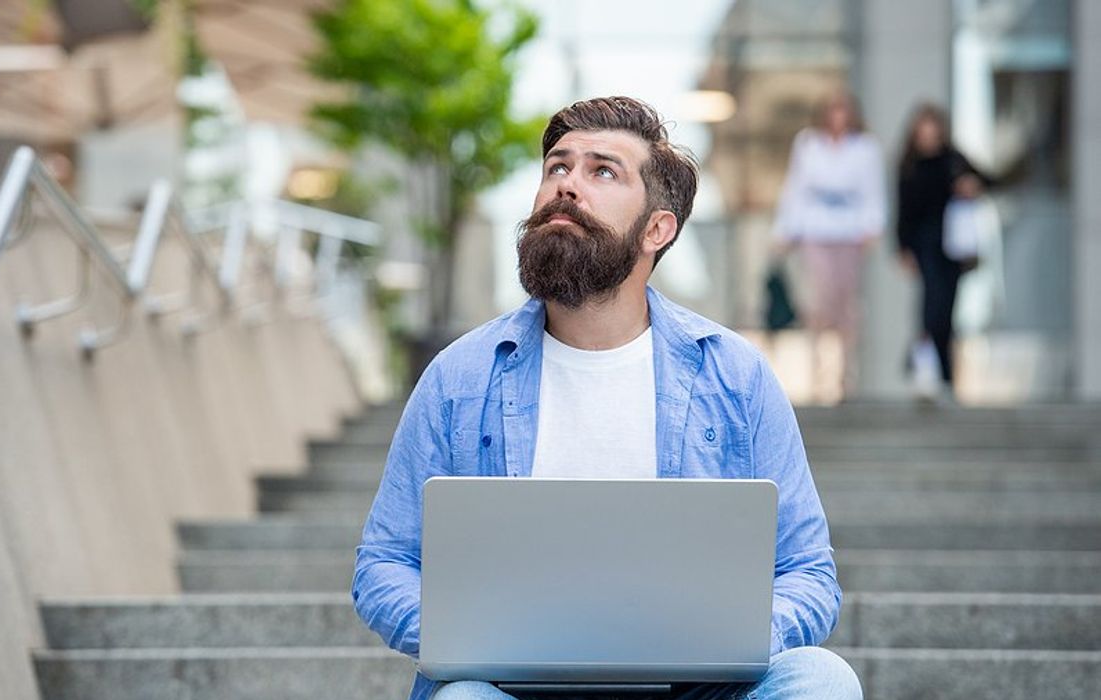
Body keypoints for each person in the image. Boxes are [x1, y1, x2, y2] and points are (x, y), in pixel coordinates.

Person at [353, 96, 859, 700]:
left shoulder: (735, 376)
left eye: (602, 171)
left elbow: (808, 572)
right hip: (513, 688)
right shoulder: (459, 377)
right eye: (557, 168)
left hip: (693, 688)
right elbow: (382, 564)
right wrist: (470, 638)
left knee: (821, 681)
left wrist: (733, 638)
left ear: (657, 229)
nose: (566, 185)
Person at [772, 91, 886, 400]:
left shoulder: (865, 147)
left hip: (849, 232)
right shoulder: (808, 144)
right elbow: (795, 187)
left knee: (846, 305)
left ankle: (846, 376)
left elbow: (873, 189)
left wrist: (872, 226)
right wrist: (786, 230)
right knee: (818, 302)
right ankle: (816, 373)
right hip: (816, 230)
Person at [895, 103, 987, 401]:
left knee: (946, 311)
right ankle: (926, 366)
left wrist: (970, 186)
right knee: (931, 306)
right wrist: (903, 247)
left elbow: (986, 179)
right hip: (925, 244)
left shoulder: (953, 160)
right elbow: (904, 211)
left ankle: (943, 374)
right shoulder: (909, 166)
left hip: (953, 247)